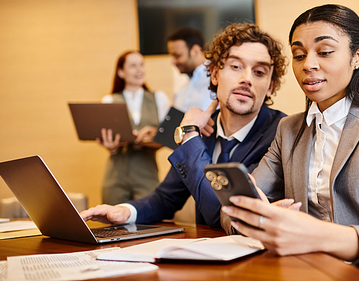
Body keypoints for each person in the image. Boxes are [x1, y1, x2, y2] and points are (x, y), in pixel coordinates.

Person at [221, 5, 359, 280]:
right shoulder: (289, 129)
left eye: (325, 52)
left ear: (357, 57)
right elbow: (231, 211)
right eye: (299, 55)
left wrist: (318, 236)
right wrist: (260, 217)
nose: (308, 64)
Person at [81, 23, 288, 228]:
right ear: (215, 74)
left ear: (270, 87)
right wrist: (125, 211)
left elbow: (223, 213)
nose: (246, 79)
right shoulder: (204, 129)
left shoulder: (280, 134)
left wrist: (189, 136)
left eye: (259, 72)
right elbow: (165, 198)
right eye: (236, 67)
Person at [97, 50, 170, 205]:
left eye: (141, 65)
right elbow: (107, 138)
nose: (139, 70)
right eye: (133, 66)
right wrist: (110, 146)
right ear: (121, 72)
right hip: (115, 177)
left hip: (147, 174)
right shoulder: (109, 101)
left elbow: (169, 137)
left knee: (149, 221)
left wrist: (152, 135)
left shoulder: (159, 99)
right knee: (113, 225)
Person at [167, 27, 213, 112]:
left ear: (195, 51)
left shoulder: (216, 82)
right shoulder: (182, 91)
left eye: (177, 56)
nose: (173, 62)